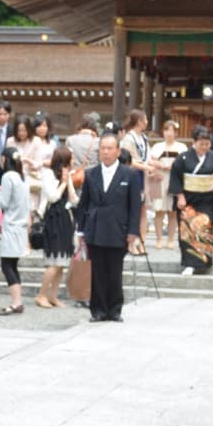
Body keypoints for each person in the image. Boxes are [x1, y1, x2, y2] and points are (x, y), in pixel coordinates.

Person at [75, 133, 141, 322]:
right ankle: (98, 310)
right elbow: (83, 203)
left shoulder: (129, 174)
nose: (105, 152)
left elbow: (135, 206)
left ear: (118, 151)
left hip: (118, 228)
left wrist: (133, 232)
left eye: (109, 148)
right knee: (97, 271)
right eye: (102, 148)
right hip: (94, 227)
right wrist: (80, 229)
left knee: (114, 270)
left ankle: (114, 309)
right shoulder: (91, 173)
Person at [171, 126, 213, 276]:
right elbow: (175, 177)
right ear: (193, 142)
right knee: (187, 232)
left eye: (207, 144)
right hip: (188, 200)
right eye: (201, 144)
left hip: (207, 200)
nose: (204, 147)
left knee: (205, 229)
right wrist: (179, 196)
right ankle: (189, 264)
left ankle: (204, 262)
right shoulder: (183, 158)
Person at [0, 147, 32, 316]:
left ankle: (16, 302)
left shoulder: (7, 176)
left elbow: (4, 202)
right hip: (20, 226)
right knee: (12, 265)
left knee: (6, 265)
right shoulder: (22, 177)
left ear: (5, 159)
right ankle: (17, 301)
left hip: (11, 225)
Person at [36, 146, 78, 308]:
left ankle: (53, 296)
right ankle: (41, 295)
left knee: (62, 262)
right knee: (54, 261)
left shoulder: (67, 175)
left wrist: (69, 183)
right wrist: (63, 183)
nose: (73, 161)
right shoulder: (48, 175)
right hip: (53, 219)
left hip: (66, 219)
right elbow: (52, 197)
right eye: (71, 158)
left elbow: (74, 199)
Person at [146, 121, 187, 250]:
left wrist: (172, 166)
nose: (169, 133)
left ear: (176, 133)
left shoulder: (182, 147)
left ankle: (170, 239)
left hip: (174, 179)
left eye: (172, 130)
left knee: (172, 212)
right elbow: (150, 161)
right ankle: (158, 239)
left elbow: (184, 163)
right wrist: (159, 166)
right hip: (158, 179)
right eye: (167, 130)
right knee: (159, 211)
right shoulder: (157, 146)